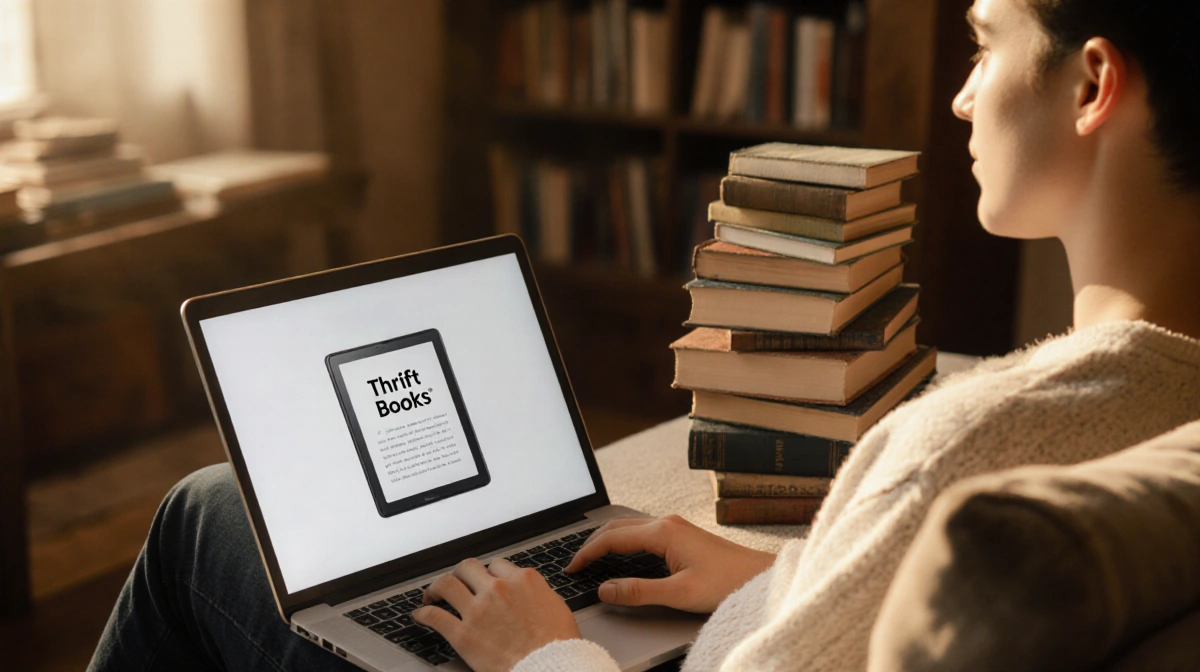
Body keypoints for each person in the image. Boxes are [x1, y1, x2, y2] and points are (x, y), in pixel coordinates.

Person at [88, 0, 1200, 670]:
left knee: (202, 512)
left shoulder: (963, 447)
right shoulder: (1162, 400)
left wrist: (541, 652)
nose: (962, 96)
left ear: (1092, 82)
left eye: (986, 43)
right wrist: (777, 581)